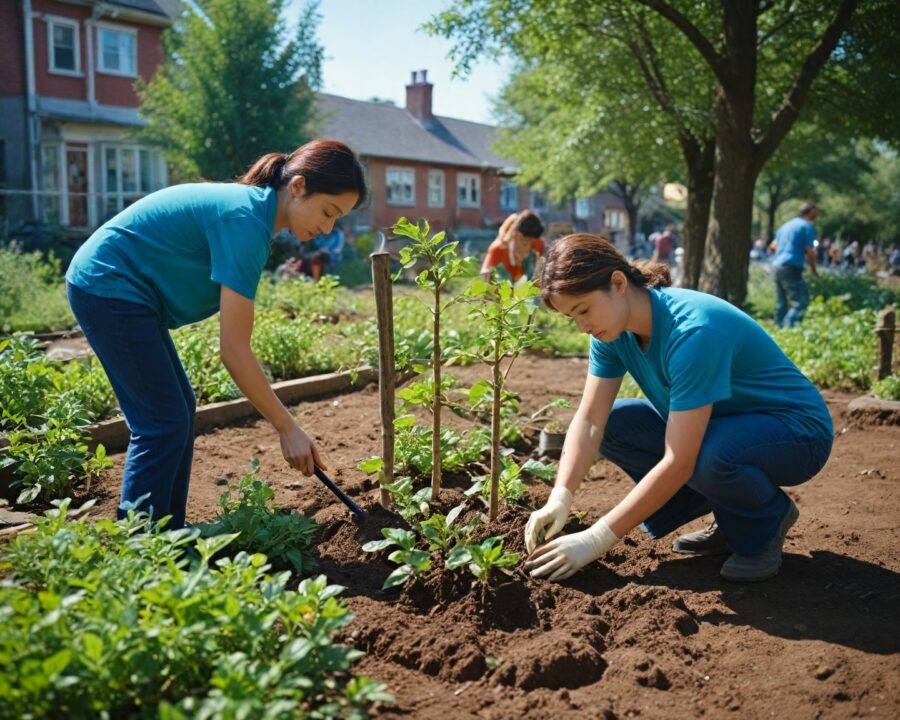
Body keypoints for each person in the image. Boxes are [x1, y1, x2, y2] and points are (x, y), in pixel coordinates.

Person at [65, 140, 367, 528]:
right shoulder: (245, 222)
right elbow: (234, 350)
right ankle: (141, 544)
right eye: (327, 212)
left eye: (336, 219)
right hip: (108, 285)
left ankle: (167, 534)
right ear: (298, 187)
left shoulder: (253, 215)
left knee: (176, 412)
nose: (327, 228)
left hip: (126, 292)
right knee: (161, 421)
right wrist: (287, 428)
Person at [524, 234, 833, 583]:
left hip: (796, 432)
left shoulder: (692, 333)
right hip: (725, 427)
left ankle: (764, 521)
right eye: (571, 318)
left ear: (618, 283)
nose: (582, 327)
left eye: (583, 310)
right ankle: (733, 513)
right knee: (616, 424)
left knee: (705, 457)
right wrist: (560, 496)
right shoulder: (611, 333)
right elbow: (591, 419)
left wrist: (595, 540)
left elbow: (679, 460)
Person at [771, 202, 818, 327]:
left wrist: (783, 253)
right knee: (801, 302)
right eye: (815, 211)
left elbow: (773, 246)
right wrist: (814, 270)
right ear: (810, 212)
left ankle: (777, 329)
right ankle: (789, 329)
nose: (817, 213)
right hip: (791, 267)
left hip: (777, 266)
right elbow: (810, 251)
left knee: (781, 302)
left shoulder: (785, 226)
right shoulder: (807, 226)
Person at [481, 209, 545, 283]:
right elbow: (483, 281)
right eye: (525, 243)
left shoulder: (536, 244)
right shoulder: (498, 250)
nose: (528, 249)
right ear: (517, 236)